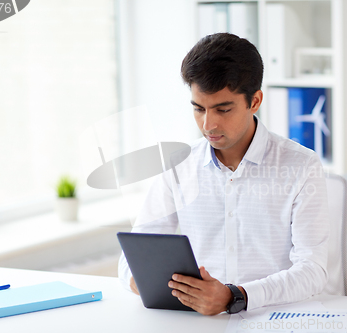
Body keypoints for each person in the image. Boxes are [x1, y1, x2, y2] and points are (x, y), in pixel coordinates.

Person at [118, 33, 329, 316]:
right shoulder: (178, 165)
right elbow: (132, 257)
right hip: (197, 321)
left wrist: (235, 296)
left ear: (254, 102)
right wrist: (152, 283)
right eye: (198, 109)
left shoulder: (302, 166)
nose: (208, 124)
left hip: (273, 319)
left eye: (223, 109)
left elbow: (313, 271)